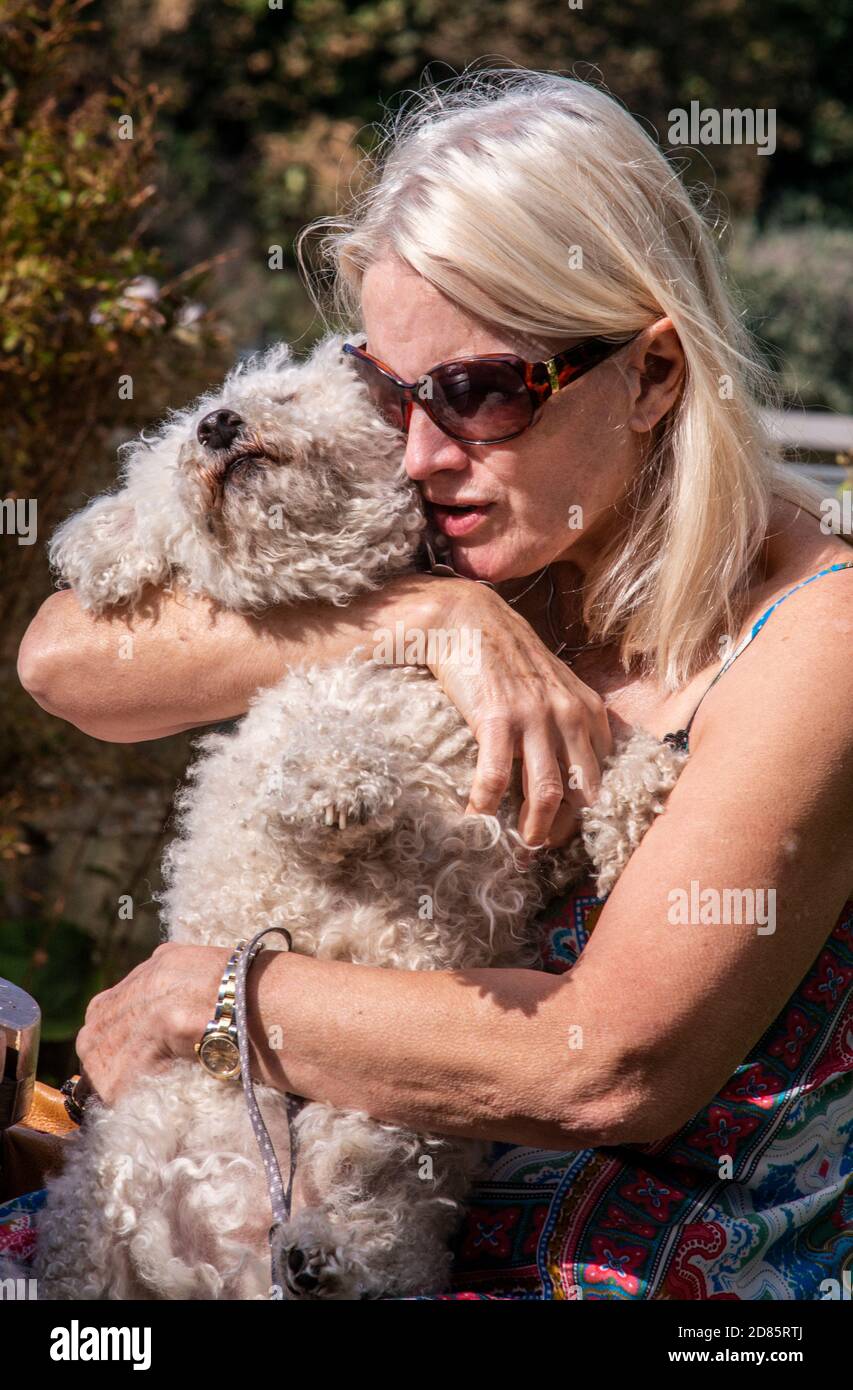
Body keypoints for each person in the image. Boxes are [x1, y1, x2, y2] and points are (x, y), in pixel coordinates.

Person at [11, 69, 853, 1299]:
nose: (418, 452)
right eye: (391, 389)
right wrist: (432, 614)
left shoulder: (816, 642)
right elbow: (68, 659)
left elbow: (603, 1063)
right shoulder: (484, 548)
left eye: (476, 391)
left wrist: (218, 996)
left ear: (656, 374)